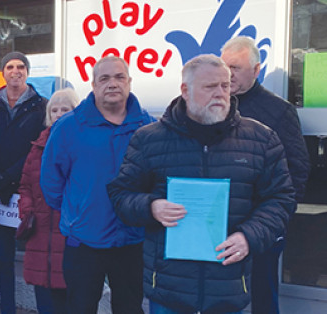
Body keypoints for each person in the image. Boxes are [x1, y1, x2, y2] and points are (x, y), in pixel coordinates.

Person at [107, 54, 295, 313]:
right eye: (210, 87)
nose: (220, 93)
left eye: (225, 86)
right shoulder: (149, 139)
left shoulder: (261, 139)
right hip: (168, 288)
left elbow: (281, 199)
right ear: (185, 90)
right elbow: (120, 194)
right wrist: (151, 207)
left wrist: (249, 236)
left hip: (228, 287)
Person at [40, 56, 155, 314]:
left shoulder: (147, 127)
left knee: (129, 308)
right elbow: (51, 181)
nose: (112, 84)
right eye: (104, 78)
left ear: (129, 82)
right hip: (84, 242)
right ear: (93, 85)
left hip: (132, 240)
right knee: (80, 308)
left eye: (119, 77)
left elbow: (157, 178)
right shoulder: (69, 127)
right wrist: (78, 212)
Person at [220, 36, 310, 314]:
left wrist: (273, 222)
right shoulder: (212, 106)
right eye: (224, 67)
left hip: (260, 228)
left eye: (235, 68)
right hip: (218, 223)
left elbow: (296, 172)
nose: (228, 74)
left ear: (256, 70)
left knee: (261, 299)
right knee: (220, 299)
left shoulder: (278, 111)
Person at [0, 52, 48, 314]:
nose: (15, 71)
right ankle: (7, 309)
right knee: (3, 259)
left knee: (37, 258)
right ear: (2, 72)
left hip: (28, 193)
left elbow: (40, 146)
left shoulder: (41, 106)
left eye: (20, 67)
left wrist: (12, 176)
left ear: (27, 72)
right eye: (10, 66)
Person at [18, 88, 77, 314]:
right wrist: (27, 211)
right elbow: (24, 186)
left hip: (69, 235)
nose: (59, 114)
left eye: (65, 109)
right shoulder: (37, 148)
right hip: (40, 234)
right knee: (45, 302)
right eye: (54, 110)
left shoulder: (81, 145)